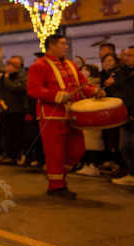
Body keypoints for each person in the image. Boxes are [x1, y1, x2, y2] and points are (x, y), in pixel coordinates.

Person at [27, 34, 103, 199]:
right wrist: (57, 96)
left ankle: (56, 175)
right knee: (56, 154)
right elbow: (33, 89)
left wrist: (94, 91)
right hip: (51, 115)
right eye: (62, 43)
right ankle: (56, 186)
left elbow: (83, 84)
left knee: (78, 149)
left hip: (73, 113)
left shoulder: (71, 64)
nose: (66, 46)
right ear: (52, 45)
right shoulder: (39, 66)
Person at [108, 46, 134, 186]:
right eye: (125, 55)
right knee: (125, 145)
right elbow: (114, 90)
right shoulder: (119, 73)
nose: (126, 58)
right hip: (125, 115)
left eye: (130, 55)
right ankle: (131, 173)